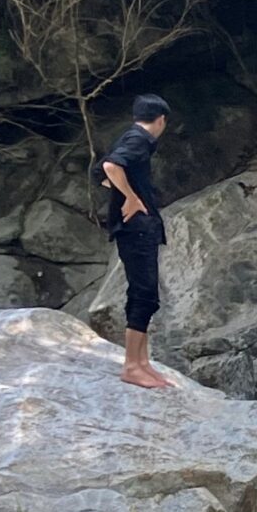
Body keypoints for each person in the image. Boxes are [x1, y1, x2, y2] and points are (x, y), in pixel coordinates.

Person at [100, 95, 174, 390]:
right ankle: (132, 365)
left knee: (143, 294)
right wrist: (131, 199)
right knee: (144, 295)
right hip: (137, 229)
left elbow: (101, 171)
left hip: (134, 228)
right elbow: (110, 168)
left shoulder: (128, 137)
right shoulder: (140, 139)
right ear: (161, 120)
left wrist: (123, 194)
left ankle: (142, 363)